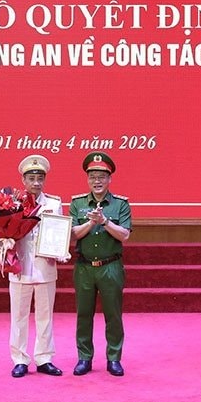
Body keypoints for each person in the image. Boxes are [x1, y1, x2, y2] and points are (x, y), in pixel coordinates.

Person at [1, 154, 64, 378]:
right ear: (23, 180)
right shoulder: (12, 204)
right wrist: (4, 242)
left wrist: (60, 249)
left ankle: (44, 358)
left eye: (40, 178)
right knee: (18, 317)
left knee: (45, 317)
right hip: (20, 267)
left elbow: (59, 232)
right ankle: (19, 359)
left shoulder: (54, 204)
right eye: (31, 178)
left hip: (45, 267)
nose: (36, 183)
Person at [69, 151, 131, 377]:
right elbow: (72, 234)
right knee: (83, 315)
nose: (97, 181)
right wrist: (90, 222)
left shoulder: (120, 204)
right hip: (84, 267)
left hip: (110, 267)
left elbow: (124, 235)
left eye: (102, 177)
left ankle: (114, 358)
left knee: (113, 315)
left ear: (109, 179)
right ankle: (84, 358)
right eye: (93, 176)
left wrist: (104, 221)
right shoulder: (77, 203)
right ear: (87, 179)